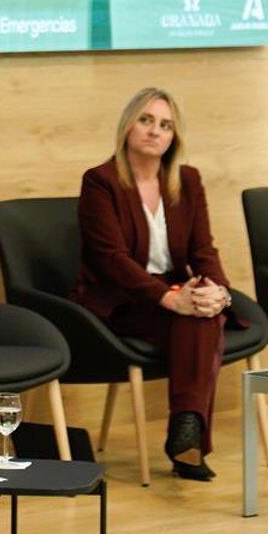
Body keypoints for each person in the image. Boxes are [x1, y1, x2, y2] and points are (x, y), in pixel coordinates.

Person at [72, 87, 233, 480]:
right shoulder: (101, 181)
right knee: (195, 317)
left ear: (173, 137)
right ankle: (189, 434)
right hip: (121, 298)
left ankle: (186, 429)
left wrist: (218, 291)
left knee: (203, 313)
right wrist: (166, 298)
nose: (154, 131)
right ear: (128, 126)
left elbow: (204, 249)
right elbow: (112, 260)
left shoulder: (187, 181)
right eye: (145, 120)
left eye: (165, 125)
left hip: (175, 292)